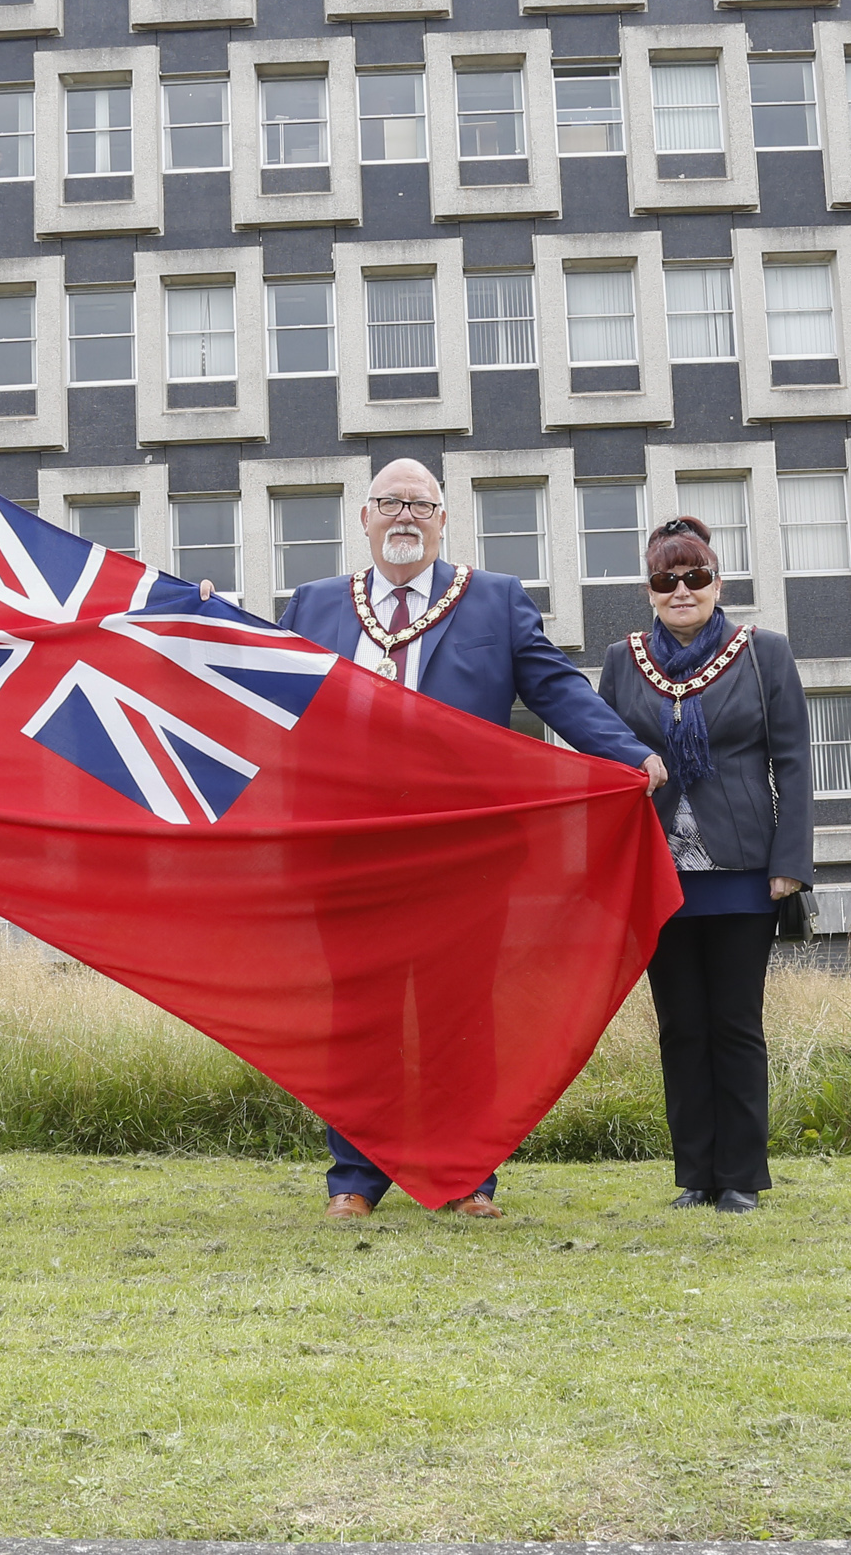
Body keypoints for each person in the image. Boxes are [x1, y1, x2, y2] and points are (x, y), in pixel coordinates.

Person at [278, 458, 667, 1219]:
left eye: (420, 504)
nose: (404, 516)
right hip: (349, 854)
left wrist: (626, 753)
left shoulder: (492, 600)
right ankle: (354, 1179)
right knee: (360, 1017)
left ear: (443, 519)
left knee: (462, 1019)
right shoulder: (315, 606)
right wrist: (190, 627)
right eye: (389, 502)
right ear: (363, 518)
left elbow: (554, 687)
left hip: (465, 857)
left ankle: (466, 1179)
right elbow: (257, 693)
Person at [594, 517, 811, 1214]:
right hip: (656, 872)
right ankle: (694, 1175)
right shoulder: (621, 660)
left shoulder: (762, 653)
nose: (681, 589)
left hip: (745, 872)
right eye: (666, 579)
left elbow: (795, 762)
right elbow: (603, 761)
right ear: (648, 590)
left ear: (718, 583)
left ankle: (741, 1177)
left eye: (695, 576)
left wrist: (790, 863)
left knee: (735, 1025)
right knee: (680, 1025)